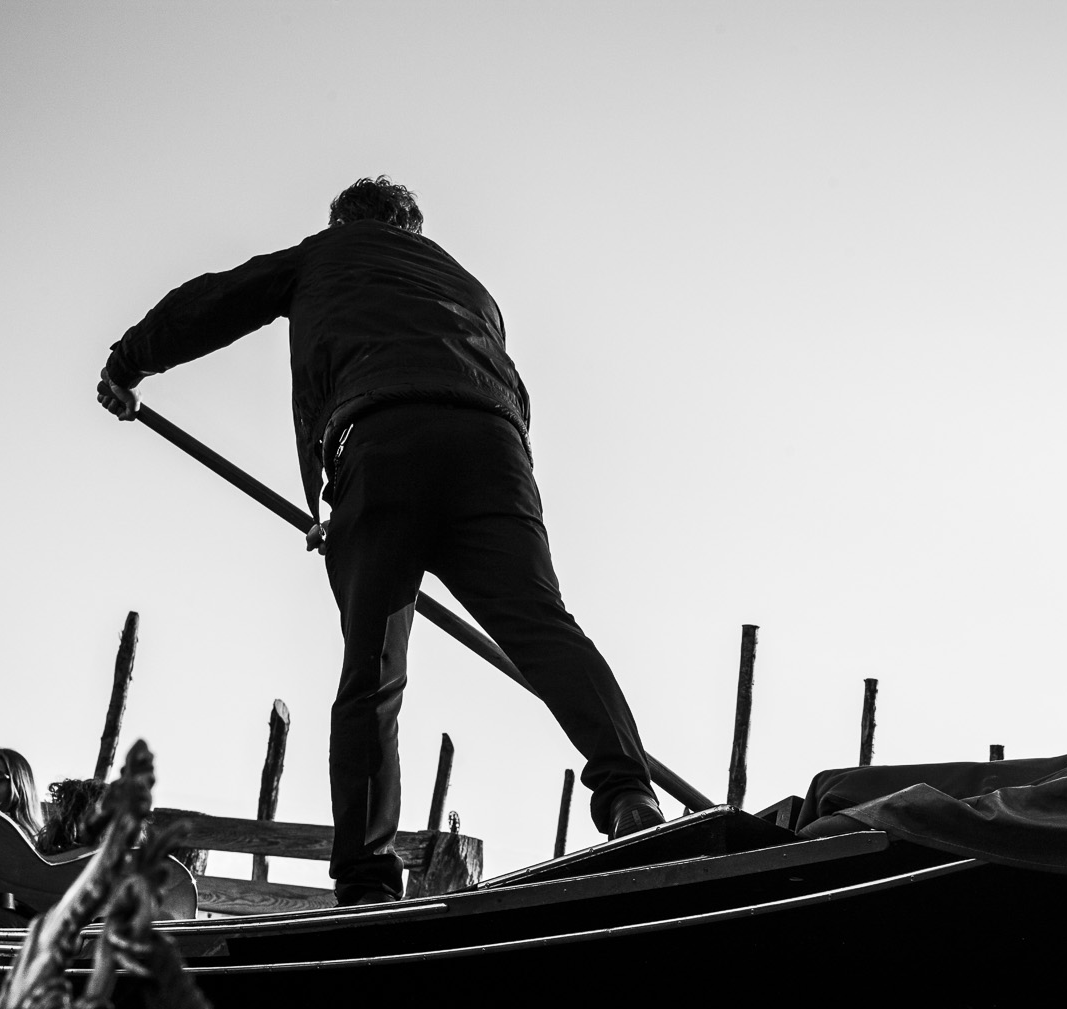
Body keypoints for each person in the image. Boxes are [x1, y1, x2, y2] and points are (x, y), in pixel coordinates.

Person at [97, 176, 663, 904]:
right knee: (544, 628)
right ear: (416, 231)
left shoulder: (323, 256)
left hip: (382, 442)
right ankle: (628, 792)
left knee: (372, 673)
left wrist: (127, 362)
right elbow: (503, 389)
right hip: (494, 450)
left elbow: (211, 304)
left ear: (342, 222)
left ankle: (366, 874)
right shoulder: (471, 290)